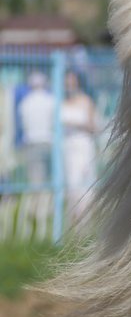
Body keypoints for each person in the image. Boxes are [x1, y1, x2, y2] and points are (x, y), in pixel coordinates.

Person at [60, 69, 99, 225]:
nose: (69, 85)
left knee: (86, 183)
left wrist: (77, 124)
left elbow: (94, 126)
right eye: (67, 82)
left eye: (72, 81)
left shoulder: (86, 101)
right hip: (67, 147)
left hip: (83, 145)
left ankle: (85, 223)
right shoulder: (61, 102)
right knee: (71, 184)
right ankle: (73, 223)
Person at [17, 70, 56, 186]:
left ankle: (40, 203)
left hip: (32, 142)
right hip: (49, 141)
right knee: (51, 179)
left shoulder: (25, 102)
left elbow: (23, 124)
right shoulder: (51, 100)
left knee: (36, 181)